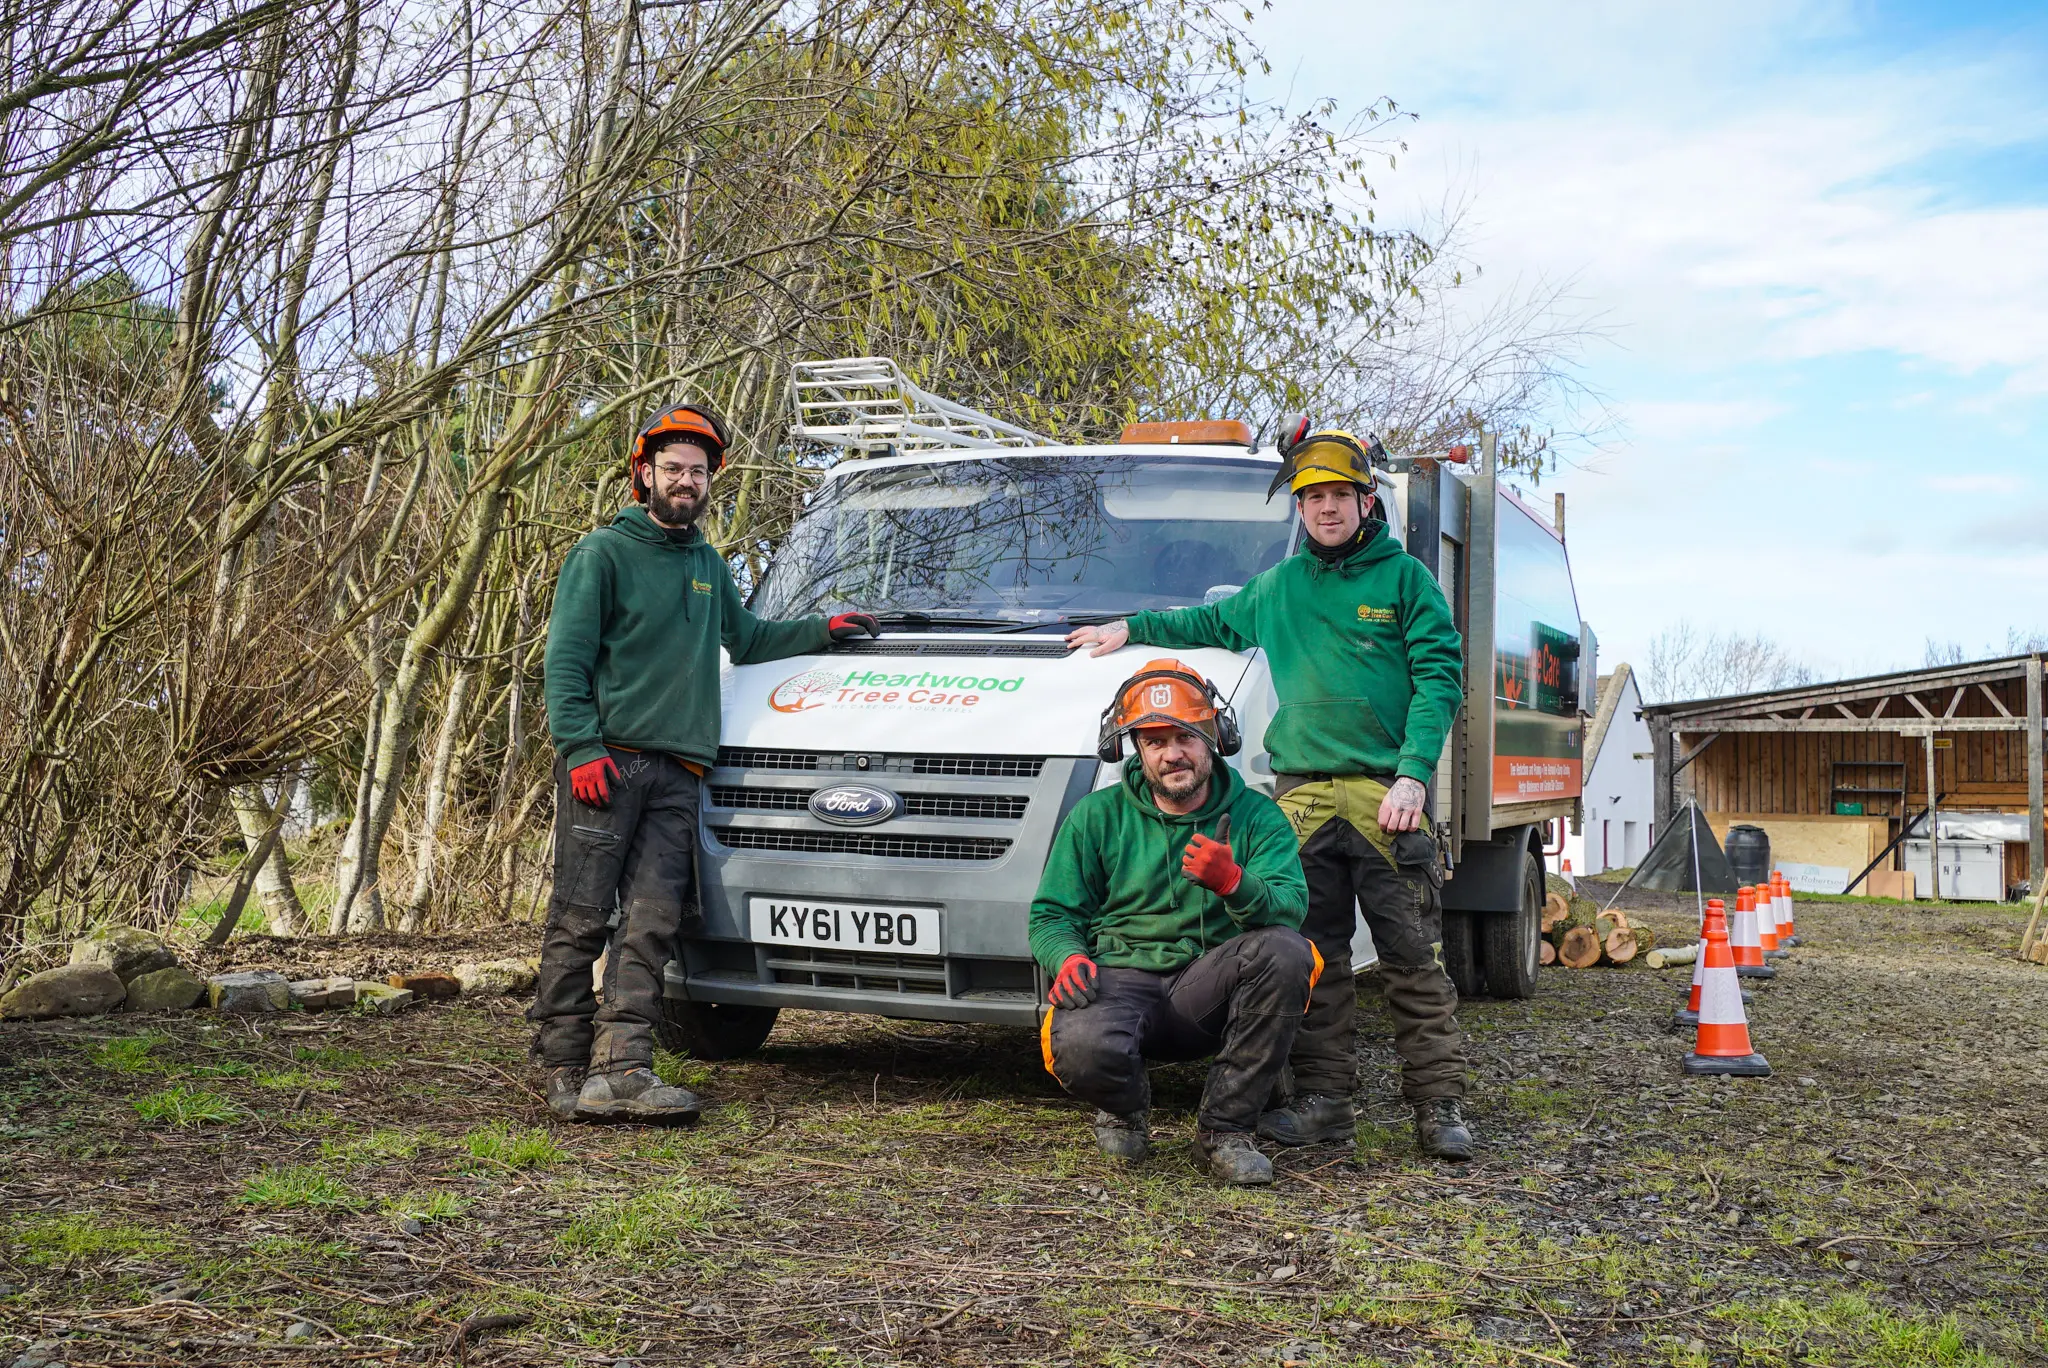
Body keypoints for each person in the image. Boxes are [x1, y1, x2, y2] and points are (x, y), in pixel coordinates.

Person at [1067, 426, 1471, 1160]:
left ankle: (1438, 1106)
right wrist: (1129, 627)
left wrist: (1413, 772)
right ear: (1300, 506)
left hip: (1389, 799)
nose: (1324, 509)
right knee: (1314, 961)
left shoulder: (1406, 580)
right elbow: (1205, 620)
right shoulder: (1277, 589)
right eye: (1311, 497)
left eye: (1337, 496)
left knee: (1413, 961)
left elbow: (1441, 678)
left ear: (1364, 499)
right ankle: (1325, 1104)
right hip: (1303, 800)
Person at [535, 405, 880, 1123]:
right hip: (610, 765)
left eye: (697, 470)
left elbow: (747, 639)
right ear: (644, 475)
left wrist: (823, 630)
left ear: (708, 479)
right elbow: (565, 660)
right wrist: (580, 746)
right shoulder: (602, 553)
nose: (684, 481)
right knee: (580, 916)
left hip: (680, 773)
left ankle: (624, 1067)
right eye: (672, 469)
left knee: (652, 924)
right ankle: (561, 1062)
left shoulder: (707, 564)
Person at [1031, 659, 1315, 1185]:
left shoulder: (1258, 816)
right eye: (1154, 741)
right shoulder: (1096, 816)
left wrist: (1234, 883)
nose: (1172, 754)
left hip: (1209, 986)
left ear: (1213, 737)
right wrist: (1065, 956)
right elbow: (1052, 914)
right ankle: (1124, 1107)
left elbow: (1290, 908)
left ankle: (1226, 1131)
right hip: (1119, 978)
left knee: (1287, 949)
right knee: (1080, 1048)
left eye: (1184, 735)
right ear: (1135, 750)